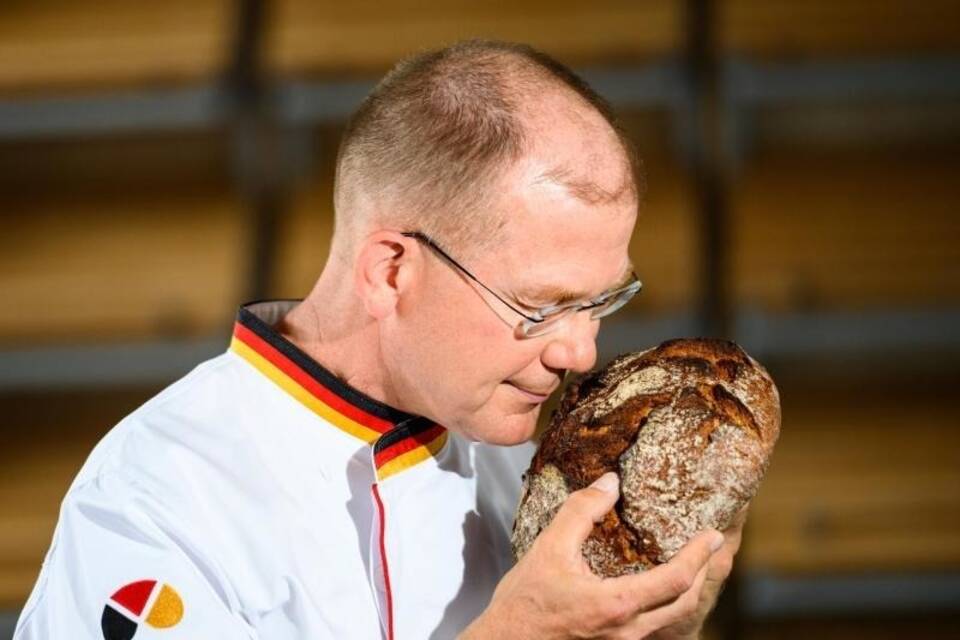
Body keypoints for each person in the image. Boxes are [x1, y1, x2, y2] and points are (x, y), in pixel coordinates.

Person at [15, 40, 745, 640]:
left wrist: (654, 624)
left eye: (602, 301)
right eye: (539, 305)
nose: (580, 352)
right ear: (391, 271)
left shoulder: (521, 466)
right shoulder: (157, 497)